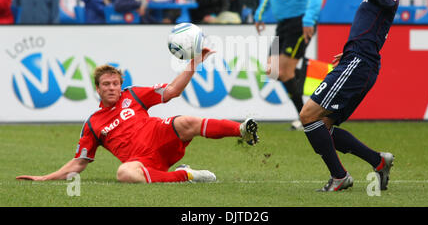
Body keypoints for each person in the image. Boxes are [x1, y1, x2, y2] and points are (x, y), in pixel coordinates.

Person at [16, 49, 259, 184]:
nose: (112, 87)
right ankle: (186, 175)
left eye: (115, 83)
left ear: (121, 85)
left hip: (162, 137)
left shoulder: (132, 95)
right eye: (106, 84)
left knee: (185, 121)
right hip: (143, 162)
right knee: (124, 173)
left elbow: (172, 91)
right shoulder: (92, 123)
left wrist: (193, 63)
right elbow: (79, 163)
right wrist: (44, 178)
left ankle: (241, 130)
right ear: (97, 89)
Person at [299, 0, 398, 192]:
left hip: (359, 63)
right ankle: (378, 161)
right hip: (356, 60)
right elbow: (374, 27)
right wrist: (350, 49)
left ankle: (340, 176)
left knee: (308, 116)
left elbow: (388, 0)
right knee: (324, 126)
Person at [254, 0, 323, 130]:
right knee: (273, 70)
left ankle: (306, 116)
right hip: (283, 24)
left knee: (284, 70)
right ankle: (314, 83)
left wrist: (309, 19)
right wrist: (260, 13)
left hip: (300, 24)